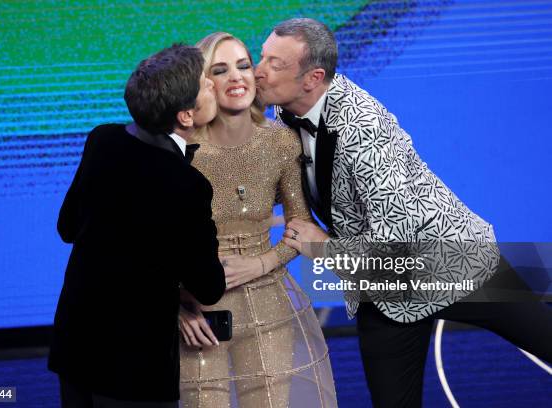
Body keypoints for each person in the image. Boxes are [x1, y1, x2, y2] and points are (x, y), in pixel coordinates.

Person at [255, 18, 552, 408]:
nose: (258, 70)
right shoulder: (287, 111)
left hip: (449, 260)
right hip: (385, 291)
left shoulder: (365, 128)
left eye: (274, 64)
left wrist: (325, 249)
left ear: (313, 78)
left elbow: (398, 243)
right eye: (262, 56)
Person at [48, 44, 226, 408]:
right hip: (134, 366)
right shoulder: (187, 185)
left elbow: (68, 227)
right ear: (186, 116)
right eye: (206, 83)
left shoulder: (102, 139)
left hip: (77, 346)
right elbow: (208, 287)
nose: (214, 84)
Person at [177, 32, 338, 408]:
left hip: (269, 305)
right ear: (204, 84)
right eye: (220, 69)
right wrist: (178, 306)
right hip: (200, 313)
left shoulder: (281, 142)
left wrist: (259, 264)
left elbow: (299, 226)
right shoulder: (182, 150)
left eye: (244, 65)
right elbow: (150, 244)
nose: (236, 76)